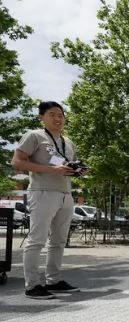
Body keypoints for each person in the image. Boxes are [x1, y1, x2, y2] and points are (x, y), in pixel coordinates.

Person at [11, 101, 85, 299]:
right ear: (41, 117)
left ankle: (54, 280)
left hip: (65, 194)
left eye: (60, 115)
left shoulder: (68, 142)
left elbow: (64, 166)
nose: (58, 118)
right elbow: (17, 162)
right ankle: (32, 285)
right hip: (42, 192)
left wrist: (77, 170)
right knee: (37, 240)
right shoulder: (34, 136)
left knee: (59, 241)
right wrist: (53, 169)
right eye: (52, 114)